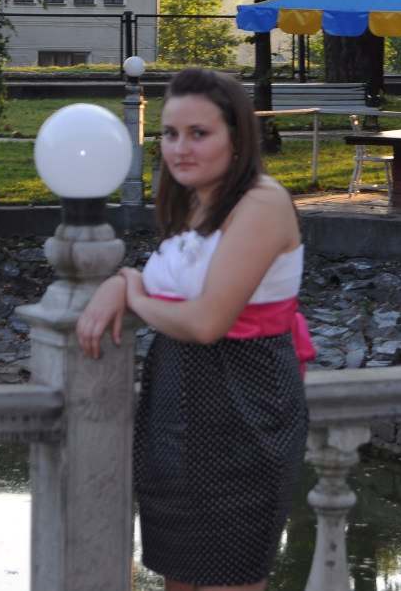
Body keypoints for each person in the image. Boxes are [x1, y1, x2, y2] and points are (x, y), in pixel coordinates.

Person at [76, 66, 315, 591]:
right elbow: (174, 287)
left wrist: (135, 296)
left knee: (231, 574)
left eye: (198, 133)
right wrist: (124, 280)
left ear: (237, 138)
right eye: (170, 133)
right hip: (176, 408)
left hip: (244, 407)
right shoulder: (194, 199)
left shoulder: (262, 202)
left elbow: (207, 322)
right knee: (178, 576)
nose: (179, 148)